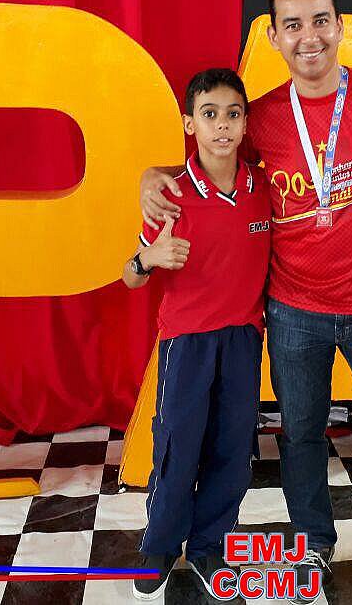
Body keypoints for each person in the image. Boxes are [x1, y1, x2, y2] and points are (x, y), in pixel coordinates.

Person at [139, 0, 352, 605]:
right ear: (275, 37)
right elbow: (211, 159)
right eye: (293, 25)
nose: (309, 37)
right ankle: (314, 540)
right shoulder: (260, 118)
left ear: (339, 27)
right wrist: (153, 173)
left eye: (320, 21)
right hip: (292, 311)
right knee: (301, 435)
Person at [123, 68, 271, 601]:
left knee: (232, 447)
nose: (222, 126)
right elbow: (130, 276)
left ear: (246, 123)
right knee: (177, 445)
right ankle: (161, 543)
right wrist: (148, 258)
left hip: (244, 338)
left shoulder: (263, 188)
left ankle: (210, 544)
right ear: (191, 124)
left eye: (233, 114)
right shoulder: (170, 195)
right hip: (186, 342)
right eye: (210, 115)